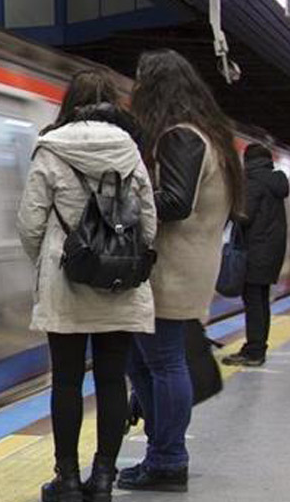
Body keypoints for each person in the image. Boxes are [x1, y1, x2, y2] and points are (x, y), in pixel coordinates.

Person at [17, 70, 157, 502]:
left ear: (69, 103)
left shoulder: (51, 149)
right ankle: (102, 479)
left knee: (67, 381)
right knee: (113, 380)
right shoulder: (130, 151)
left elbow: (30, 224)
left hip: (66, 283)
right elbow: (150, 224)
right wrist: (121, 256)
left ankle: (68, 480)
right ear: (113, 104)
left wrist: (52, 260)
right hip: (118, 284)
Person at [120, 49, 245, 493]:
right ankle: (162, 452)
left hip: (172, 269)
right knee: (144, 360)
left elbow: (174, 202)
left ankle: (169, 459)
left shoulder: (181, 137)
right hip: (188, 264)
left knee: (162, 361)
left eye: (140, 83)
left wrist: (126, 203)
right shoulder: (209, 135)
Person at [222, 143, 288, 367]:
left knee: (253, 302)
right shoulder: (275, 181)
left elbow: (244, 216)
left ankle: (254, 352)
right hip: (270, 252)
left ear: (247, 160)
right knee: (260, 301)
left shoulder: (253, 181)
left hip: (255, 252)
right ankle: (257, 347)